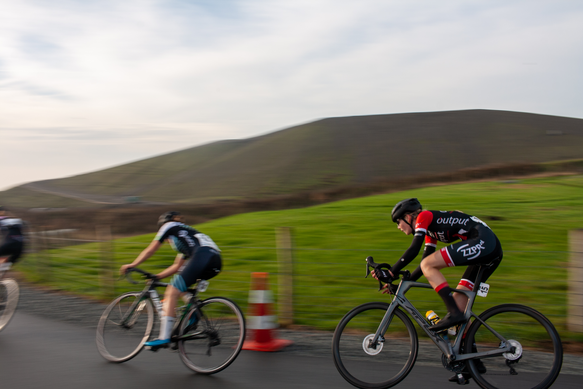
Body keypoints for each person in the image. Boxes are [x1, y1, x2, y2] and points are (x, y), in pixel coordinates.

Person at [372, 198, 503, 332]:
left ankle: (454, 314)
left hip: (483, 243)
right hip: (489, 248)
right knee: (459, 305)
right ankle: (468, 346)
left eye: (398, 222)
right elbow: (424, 262)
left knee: (428, 265)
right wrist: (401, 285)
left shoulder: (424, 216)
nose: (398, 227)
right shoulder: (430, 229)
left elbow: (414, 249)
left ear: (407, 217)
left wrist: (391, 272)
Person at [120, 211, 222, 347]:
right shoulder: (185, 234)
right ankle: (193, 311)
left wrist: (133, 265)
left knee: (171, 291)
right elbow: (176, 266)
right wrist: (157, 277)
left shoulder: (169, 226)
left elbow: (150, 250)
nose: (167, 240)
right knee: (180, 286)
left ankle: (164, 338)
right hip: (215, 260)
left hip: (202, 256)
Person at [0, 206, 26, 272]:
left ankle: (2, 268)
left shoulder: (2, 221)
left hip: (7, 245)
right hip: (20, 248)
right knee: (8, 263)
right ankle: (3, 269)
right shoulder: (17, 220)